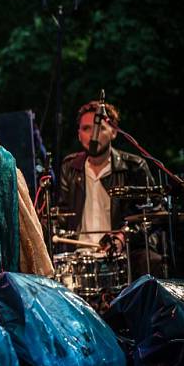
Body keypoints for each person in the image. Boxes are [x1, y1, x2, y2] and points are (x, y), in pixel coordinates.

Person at [57, 100, 161, 276]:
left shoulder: (134, 166)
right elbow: (61, 215)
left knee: (153, 262)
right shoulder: (69, 167)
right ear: (79, 134)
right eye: (86, 128)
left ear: (113, 132)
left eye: (100, 128)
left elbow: (154, 215)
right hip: (80, 257)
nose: (93, 135)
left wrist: (123, 237)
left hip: (124, 256)